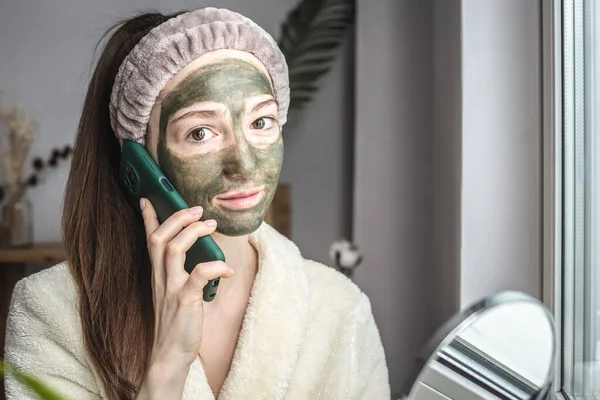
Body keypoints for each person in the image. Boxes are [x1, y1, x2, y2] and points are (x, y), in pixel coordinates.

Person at [4, 7, 390, 400]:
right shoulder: (51, 312)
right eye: (200, 132)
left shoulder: (342, 311)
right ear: (138, 162)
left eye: (261, 123)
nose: (243, 163)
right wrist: (167, 363)